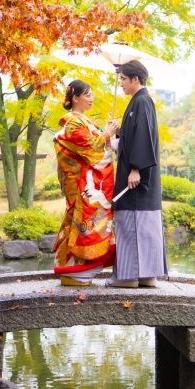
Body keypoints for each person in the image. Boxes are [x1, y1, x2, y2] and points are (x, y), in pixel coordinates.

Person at [106, 60, 167, 288]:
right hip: (143, 182)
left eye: (123, 78)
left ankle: (129, 277)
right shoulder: (139, 102)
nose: (121, 83)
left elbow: (143, 137)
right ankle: (147, 276)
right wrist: (120, 131)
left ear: (135, 79)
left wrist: (135, 169)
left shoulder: (141, 102)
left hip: (136, 179)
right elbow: (135, 135)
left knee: (131, 222)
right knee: (145, 226)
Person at [53, 80, 119, 286]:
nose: (91, 99)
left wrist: (106, 134)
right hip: (82, 183)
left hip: (85, 182)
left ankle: (76, 269)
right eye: (87, 95)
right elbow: (91, 146)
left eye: (92, 95)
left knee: (80, 223)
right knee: (82, 222)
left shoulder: (84, 121)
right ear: (75, 98)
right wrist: (107, 134)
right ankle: (74, 269)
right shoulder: (74, 123)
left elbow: (96, 144)